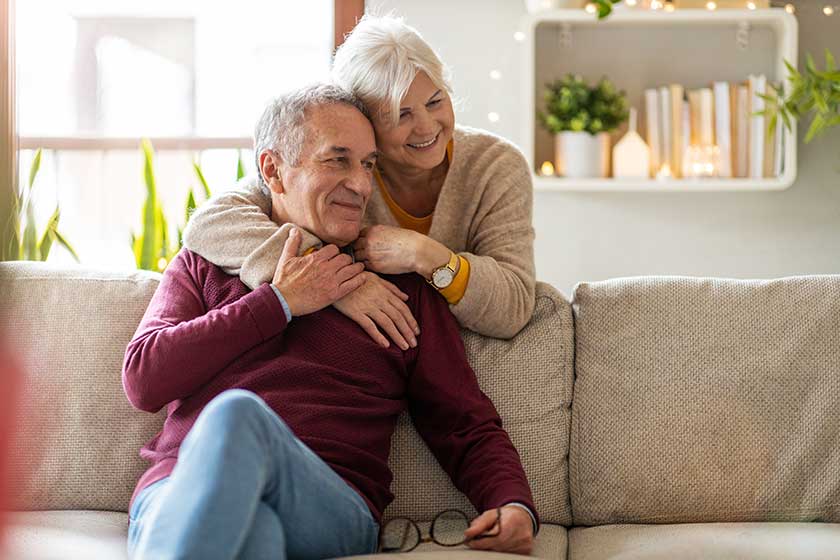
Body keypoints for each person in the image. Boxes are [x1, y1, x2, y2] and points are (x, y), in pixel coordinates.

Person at [123, 84, 537, 560]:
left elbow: (463, 420)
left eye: (368, 164)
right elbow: (143, 378)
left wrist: (511, 502)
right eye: (337, 160)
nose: (361, 185)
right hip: (179, 490)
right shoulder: (206, 263)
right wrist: (278, 303)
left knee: (239, 417)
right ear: (273, 171)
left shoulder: (399, 291)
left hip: (328, 504)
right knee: (255, 536)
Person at [183, 14, 536, 347]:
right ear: (363, 122)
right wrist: (339, 283)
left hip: (433, 360)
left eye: (435, 101)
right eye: (401, 114)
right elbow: (211, 223)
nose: (427, 127)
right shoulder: (340, 176)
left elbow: (514, 307)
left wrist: (423, 254)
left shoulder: (495, 165)